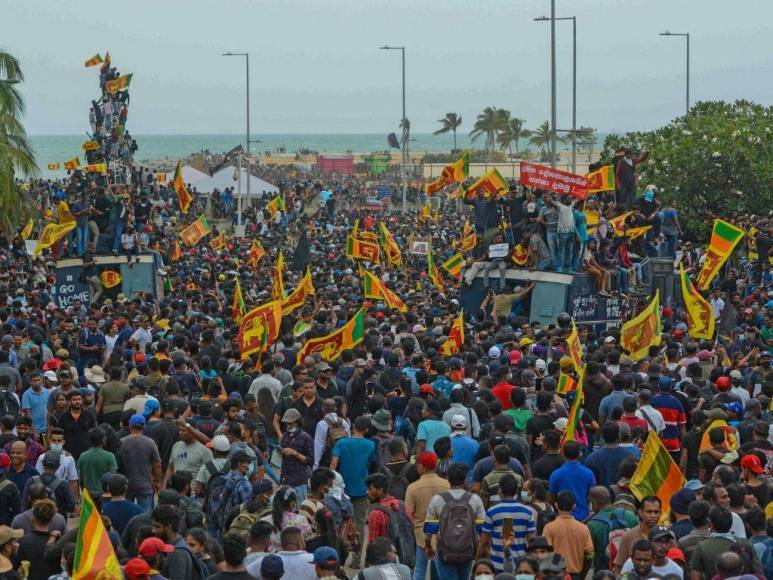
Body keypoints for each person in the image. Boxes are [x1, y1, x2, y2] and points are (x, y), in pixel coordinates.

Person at [424, 463, 485, 580]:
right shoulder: (475, 499)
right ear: (465, 480)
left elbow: (429, 528)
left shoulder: (437, 499)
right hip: (467, 551)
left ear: (448, 479)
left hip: (445, 552)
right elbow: (481, 529)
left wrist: (428, 546)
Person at [330, 415, 375, 546]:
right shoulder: (370, 445)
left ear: (353, 426)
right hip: (362, 489)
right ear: (366, 430)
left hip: (343, 490)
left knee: (339, 521)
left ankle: (340, 553)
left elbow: (333, 463)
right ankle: (356, 557)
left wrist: (330, 481)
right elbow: (371, 463)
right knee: (360, 523)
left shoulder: (342, 443)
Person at [476, 473, 536, 571]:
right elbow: (531, 541)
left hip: (497, 565)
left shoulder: (492, 511)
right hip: (520, 566)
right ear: (517, 491)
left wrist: (477, 561)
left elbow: (484, 542)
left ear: (500, 491)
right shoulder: (527, 512)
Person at [542, 490, 594, 580]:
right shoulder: (583, 528)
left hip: (555, 575)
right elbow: (590, 553)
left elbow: (545, 551)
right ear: (574, 506)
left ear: (556, 505)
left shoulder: (549, 527)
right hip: (576, 574)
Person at [118, 415, 162, 512]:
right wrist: (158, 481)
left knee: (127, 514)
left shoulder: (122, 442)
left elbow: (118, 464)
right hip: (145, 485)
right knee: (145, 517)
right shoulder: (150, 442)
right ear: (144, 426)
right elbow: (157, 464)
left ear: (130, 425)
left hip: (126, 485)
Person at [547, 441, 595, 521]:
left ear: (562, 453)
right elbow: (592, 496)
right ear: (579, 454)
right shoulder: (589, 473)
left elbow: (551, 499)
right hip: (583, 518)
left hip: (562, 518)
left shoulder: (556, 474)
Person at [16, 499, 61, 580]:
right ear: (51, 520)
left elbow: (18, 567)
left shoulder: (24, 541)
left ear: (33, 518)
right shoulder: (57, 541)